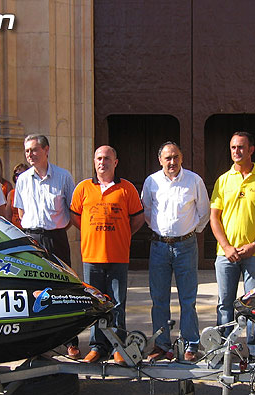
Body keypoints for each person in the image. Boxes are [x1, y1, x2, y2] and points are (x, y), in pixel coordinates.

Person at [70, 145, 145, 363]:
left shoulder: (126, 189)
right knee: (95, 304)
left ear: (115, 162)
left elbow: (138, 218)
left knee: (118, 303)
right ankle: (97, 346)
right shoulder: (83, 188)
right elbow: (75, 217)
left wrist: (122, 234)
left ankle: (118, 346)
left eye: (107, 158)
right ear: (94, 162)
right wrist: (90, 234)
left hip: (118, 256)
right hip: (91, 257)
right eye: (99, 158)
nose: (102, 162)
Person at [210, 131, 255, 359]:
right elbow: (214, 218)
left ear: (251, 150)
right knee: (224, 303)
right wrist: (226, 247)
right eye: (233, 147)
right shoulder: (223, 180)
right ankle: (225, 350)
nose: (236, 151)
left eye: (241, 147)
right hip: (225, 254)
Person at [141, 141, 210, 362]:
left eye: (176, 157)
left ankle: (190, 344)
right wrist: (162, 232)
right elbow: (147, 211)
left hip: (186, 246)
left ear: (182, 158)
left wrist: (191, 231)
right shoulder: (151, 181)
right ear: (160, 160)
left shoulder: (194, 180)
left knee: (187, 299)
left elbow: (204, 211)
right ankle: (161, 345)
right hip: (159, 246)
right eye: (167, 158)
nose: (172, 162)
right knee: (159, 298)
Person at [13, 134, 78, 358]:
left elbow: (71, 212)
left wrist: (55, 231)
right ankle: (38, 343)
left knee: (64, 289)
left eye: (34, 150)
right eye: (27, 150)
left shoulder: (63, 176)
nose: (30, 154)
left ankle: (70, 341)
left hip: (56, 238)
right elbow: (21, 213)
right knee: (34, 292)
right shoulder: (22, 180)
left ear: (46, 150)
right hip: (31, 240)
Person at [6, 162, 30, 228]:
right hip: (15, 229)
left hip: (28, 228)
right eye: (17, 175)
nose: (19, 177)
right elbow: (8, 216)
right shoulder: (12, 193)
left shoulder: (32, 192)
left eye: (22, 174)